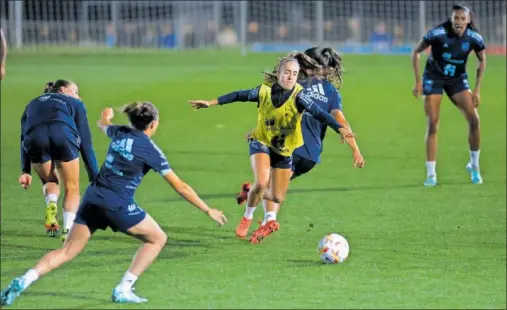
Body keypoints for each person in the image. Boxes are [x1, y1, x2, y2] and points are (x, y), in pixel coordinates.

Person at [1, 102, 228, 306]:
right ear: (153, 124)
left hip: (92, 198)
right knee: (157, 238)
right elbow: (181, 186)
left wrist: (106, 115)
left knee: (67, 251)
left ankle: (25, 279)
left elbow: (103, 125)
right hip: (116, 204)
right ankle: (123, 288)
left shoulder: (119, 132)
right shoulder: (151, 151)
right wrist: (208, 209)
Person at [188, 56, 353, 241]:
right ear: (279, 74)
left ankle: (249, 191)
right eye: (287, 72)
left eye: (295, 74)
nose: (290, 77)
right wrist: (211, 103)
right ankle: (247, 218)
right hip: (261, 143)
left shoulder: (300, 96)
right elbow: (238, 95)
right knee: (261, 182)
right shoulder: (263, 91)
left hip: (283, 151)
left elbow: (320, 114)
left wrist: (340, 129)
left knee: (277, 196)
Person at [235, 47, 364, 243]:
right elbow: (341, 121)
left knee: (269, 183)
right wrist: (355, 149)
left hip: (287, 145)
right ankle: (268, 219)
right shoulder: (331, 92)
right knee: (274, 186)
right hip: (310, 156)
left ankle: (256, 201)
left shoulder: (295, 84)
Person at [411, 3, 486, 187]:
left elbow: (482, 60)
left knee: (474, 120)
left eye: (462, 18)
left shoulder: (474, 38)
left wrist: (476, 90)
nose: (459, 22)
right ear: (451, 19)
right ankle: (431, 174)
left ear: (468, 21)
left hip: (457, 80)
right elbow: (416, 52)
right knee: (433, 123)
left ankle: (474, 166)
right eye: (456, 18)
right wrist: (418, 81)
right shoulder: (437, 33)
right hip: (434, 78)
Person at [19, 80, 99, 241]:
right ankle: (68, 229)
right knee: (72, 187)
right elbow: (86, 142)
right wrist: (95, 176)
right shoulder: (75, 104)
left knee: (50, 181)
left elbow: (23, 137)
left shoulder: (31, 104)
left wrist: (25, 170)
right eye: (76, 92)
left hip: (34, 139)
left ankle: (51, 204)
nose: (79, 96)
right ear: (63, 90)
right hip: (62, 133)